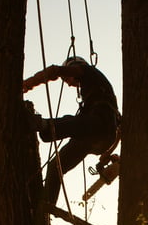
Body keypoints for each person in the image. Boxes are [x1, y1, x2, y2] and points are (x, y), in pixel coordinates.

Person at [23, 56, 120, 205]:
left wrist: (28, 83)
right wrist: (108, 152)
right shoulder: (97, 92)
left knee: (74, 121)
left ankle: (41, 124)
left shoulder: (88, 71)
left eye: (66, 78)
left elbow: (54, 71)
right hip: (95, 135)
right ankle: (46, 206)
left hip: (100, 126)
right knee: (56, 166)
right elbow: (120, 129)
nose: (68, 84)